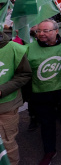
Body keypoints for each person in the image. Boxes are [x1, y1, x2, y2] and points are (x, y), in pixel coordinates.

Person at [26, 19, 61, 165]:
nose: (41, 34)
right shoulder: (28, 48)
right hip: (41, 93)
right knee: (47, 124)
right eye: (38, 31)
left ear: (56, 31)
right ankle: (49, 151)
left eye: (45, 31)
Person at [0, 30, 31, 165]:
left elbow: (24, 74)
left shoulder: (15, 49)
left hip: (6, 107)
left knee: (7, 143)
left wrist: (2, 90)